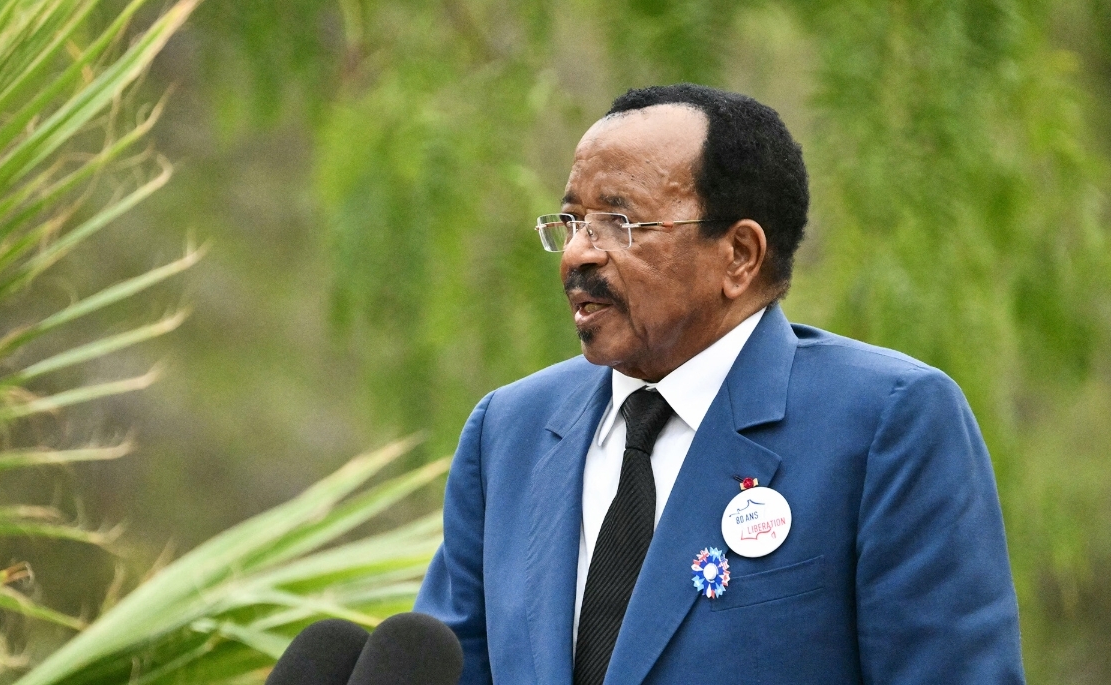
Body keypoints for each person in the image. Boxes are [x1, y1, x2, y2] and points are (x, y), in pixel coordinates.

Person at [414, 84, 1025, 684]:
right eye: (571, 222)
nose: (576, 254)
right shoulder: (510, 430)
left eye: (617, 222)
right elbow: (447, 664)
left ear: (739, 256)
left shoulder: (886, 423)